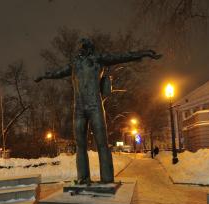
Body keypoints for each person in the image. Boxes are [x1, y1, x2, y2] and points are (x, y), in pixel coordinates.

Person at [35, 38, 161, 184]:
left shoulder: (98, 59)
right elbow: (58, 72)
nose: (80, 50)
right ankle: (83, 178)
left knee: (102, 142)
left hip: (95, 106)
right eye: (79, 48)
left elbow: (122, 56)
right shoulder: (75, 63)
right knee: (80, 144)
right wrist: (44, 75)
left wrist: (143, 53)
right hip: (79, 108)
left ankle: (107, 179)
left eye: (83, 47)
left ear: (89, 48)